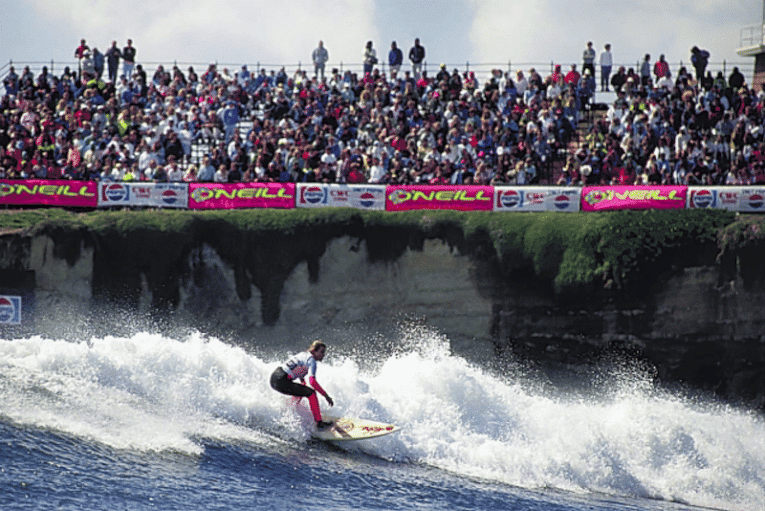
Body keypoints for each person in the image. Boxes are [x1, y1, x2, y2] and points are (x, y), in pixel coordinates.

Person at [270, 340, 335, 429]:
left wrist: (303, 385)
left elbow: (298, 371)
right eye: (322, 352)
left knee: (302, 390)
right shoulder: (311, 361)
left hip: (275, 377)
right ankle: (319, 423)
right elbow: (313, 382)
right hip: (282, 381)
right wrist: (326, 396)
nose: (324, 355)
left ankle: (289, 411)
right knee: (311, 393)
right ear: (314, 351)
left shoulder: (303, 355)